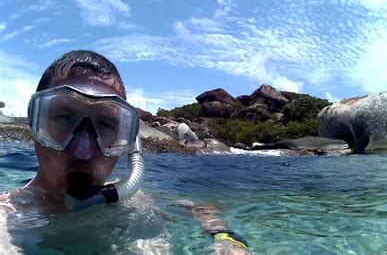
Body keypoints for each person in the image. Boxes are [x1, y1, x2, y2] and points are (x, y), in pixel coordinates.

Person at [0, 50, 249, 254]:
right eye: (65, 117)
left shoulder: (131, 200)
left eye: (106, 125)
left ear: (128, 141)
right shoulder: (6, 219)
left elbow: (199, 207)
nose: (84, 149)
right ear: (35, 124)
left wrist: (226, 238)